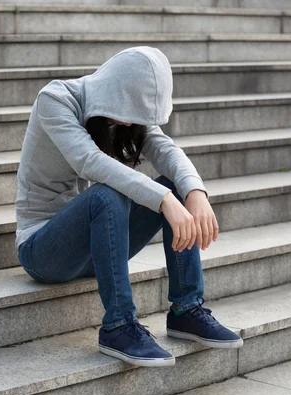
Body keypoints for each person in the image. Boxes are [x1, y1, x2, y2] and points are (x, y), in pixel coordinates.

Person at [15, 46, 243, 368]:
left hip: (95, 249)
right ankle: (118, 326)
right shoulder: (55, 100)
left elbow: (166, 149)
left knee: (175, 185)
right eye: (127, 111)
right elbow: (90, 161)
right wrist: (165, 202)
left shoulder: (123, 116)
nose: (127, 123)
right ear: (114, 91)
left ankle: (186, 309)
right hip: (43, 249)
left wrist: (194, 192)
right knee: (107, 195)